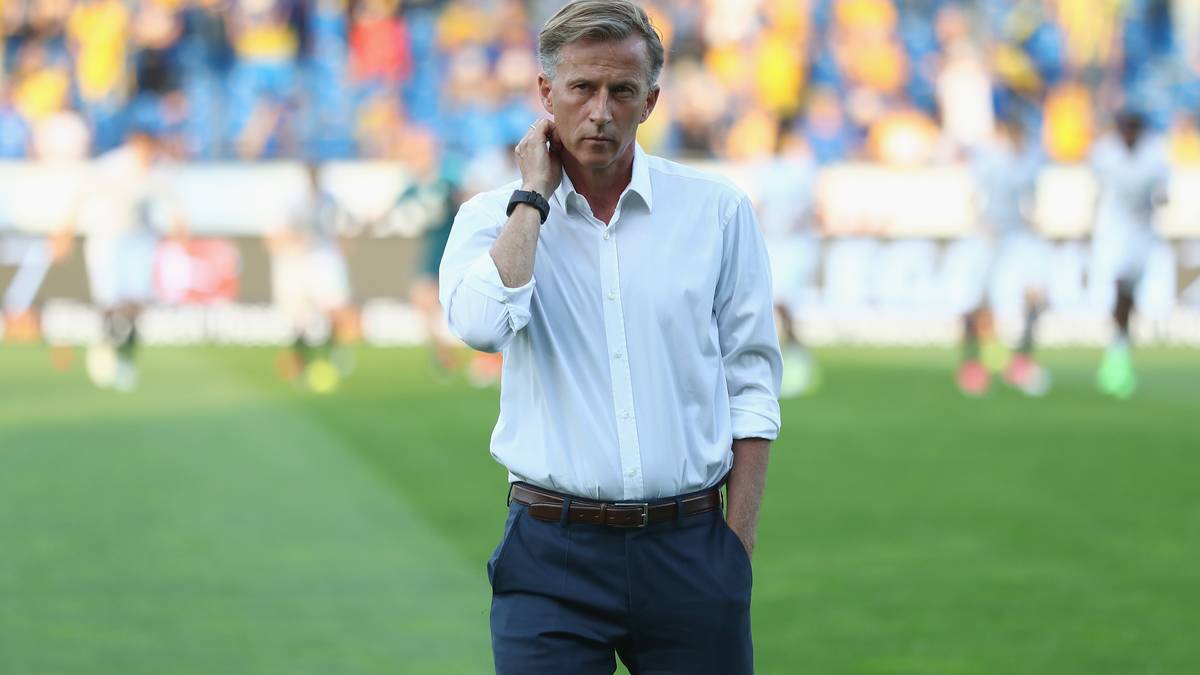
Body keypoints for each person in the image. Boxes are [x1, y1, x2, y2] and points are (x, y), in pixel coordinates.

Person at [438, 2, 781, 672]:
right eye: (582, 88)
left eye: (621, 91)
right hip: (550, 553)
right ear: (546, 94)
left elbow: (752, 381)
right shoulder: (492, 217)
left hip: (689, 550)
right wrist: (533, 199)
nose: (600, 110)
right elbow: (478, 324)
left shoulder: (716, 212)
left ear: (650, 101)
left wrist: (734, 550)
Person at [52, 128, 185, 391]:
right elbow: (80, 195)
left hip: (138, 240)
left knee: (136, 303)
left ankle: (126, 359)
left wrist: (181, 230)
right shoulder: (111, 167)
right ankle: (106, 350)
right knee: (110, 301)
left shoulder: (156, 171)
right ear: (133, 145)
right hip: (108, 239)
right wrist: (64, 233)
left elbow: (173, 203)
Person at [956, 117, 1052, 397]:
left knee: (1036, 295)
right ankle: (972, 365)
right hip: (989, 235)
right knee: (977, 300)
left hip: (1018, 235)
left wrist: (1034, 224)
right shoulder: (989, 161)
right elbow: (974, 196)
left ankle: (1021, 361)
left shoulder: (1030, 162)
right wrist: (978, 224)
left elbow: (1031, 201)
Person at [1088, 108, 1170, 399]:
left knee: (1131, 290)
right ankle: (1118, 348)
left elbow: (1163, 195)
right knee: (1119, 283)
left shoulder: (1154, 154)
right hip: (1116, 228)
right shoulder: (1104, 152)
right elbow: (1096, 190)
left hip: (1142, 229)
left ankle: (1121, 342)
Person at [265, 161, 355, 393]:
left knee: (334, 308)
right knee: (299, 316)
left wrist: (340, 249)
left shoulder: (331, 201)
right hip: (298, 261)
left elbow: (345, 227)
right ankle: (299, 361)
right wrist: (292, 245)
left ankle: (332, 354)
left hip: (323, 258)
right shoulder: (293, 203)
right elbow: (275, 234)